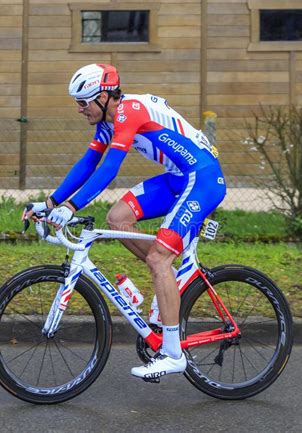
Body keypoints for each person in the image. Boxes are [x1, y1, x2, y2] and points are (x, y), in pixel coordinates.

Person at [23, 64, 226, 380]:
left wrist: (73, 206)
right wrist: (50, 203)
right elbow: (89, 162)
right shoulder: (108, 120)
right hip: (178, 178)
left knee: (159, 256)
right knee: (117, 218)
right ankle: (168, 279)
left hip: (202, 179)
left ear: (103, 97)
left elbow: (110, 169)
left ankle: (173, 355)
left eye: (83, 102)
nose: (79, 109)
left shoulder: (129, 111)